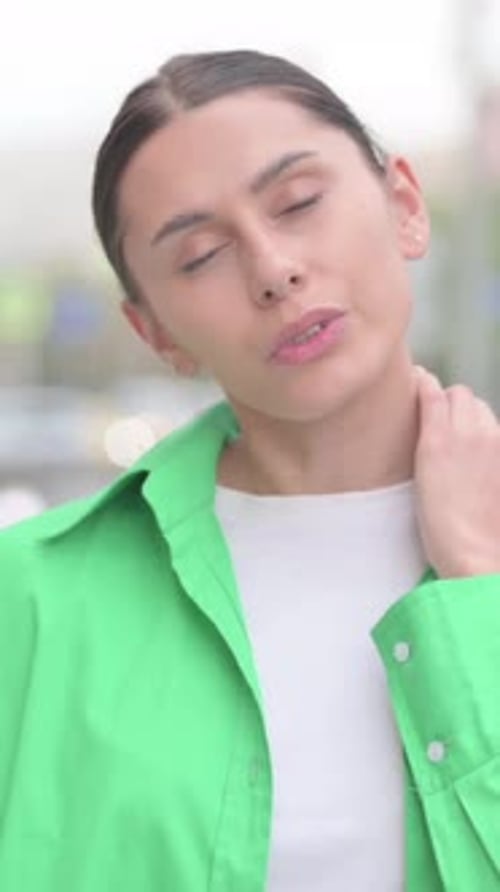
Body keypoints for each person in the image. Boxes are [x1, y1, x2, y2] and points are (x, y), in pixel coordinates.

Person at [1, 49, 499, 892]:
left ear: (406, 206)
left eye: (299, 203)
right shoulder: (31, 601)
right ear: (154, 331)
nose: (274, 270)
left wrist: (480, 587)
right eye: (199, 256)